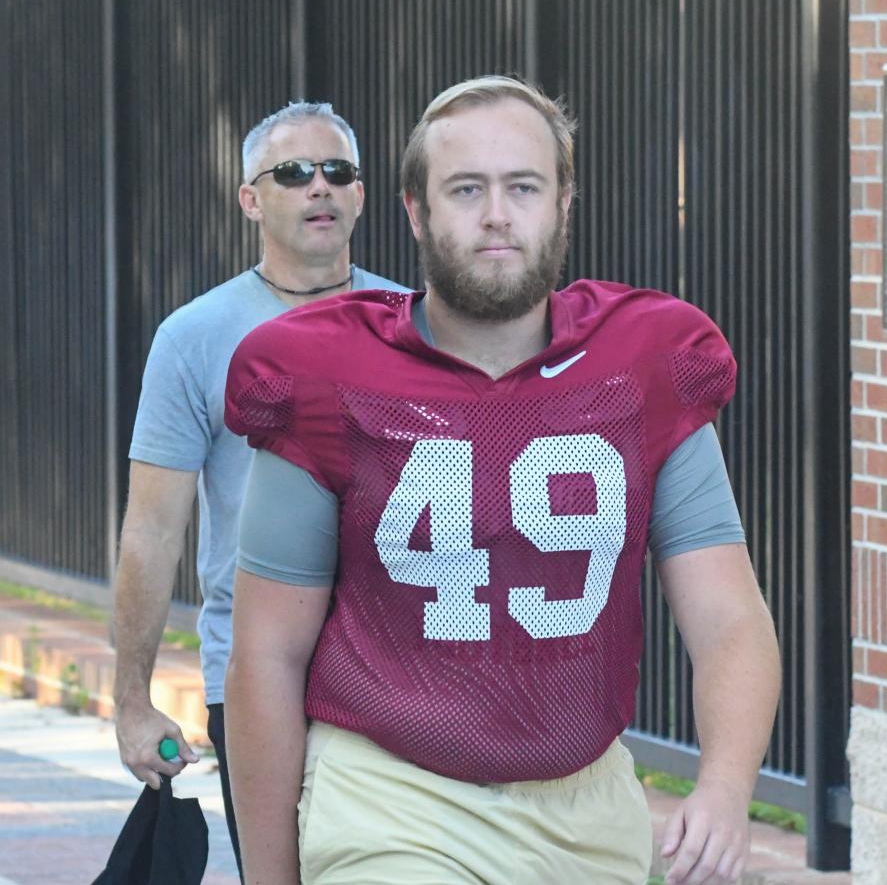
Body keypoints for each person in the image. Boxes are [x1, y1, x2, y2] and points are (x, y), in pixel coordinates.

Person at [224, 76, 781, 885]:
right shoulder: (321, 372)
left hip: (587, 806)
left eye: (523, 186)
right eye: (465, 189)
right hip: (392, 798)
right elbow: (266, 653)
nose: (495, 214)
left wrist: (727, 792)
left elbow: (730, 618)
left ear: (562, 203)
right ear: (415, 209)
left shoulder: (646, 364)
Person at [110, 100, 409, 877]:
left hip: (401, 672)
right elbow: (151, 531)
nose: (319, 188)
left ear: (361, 194)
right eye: (292, 173)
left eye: (337, 171)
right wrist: (133, 700)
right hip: (255, 677)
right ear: (250, 199)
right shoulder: (194, 337)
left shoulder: (413, 325)